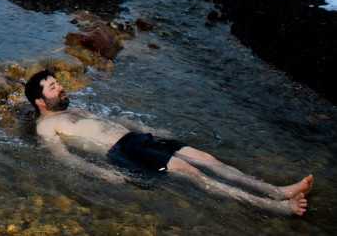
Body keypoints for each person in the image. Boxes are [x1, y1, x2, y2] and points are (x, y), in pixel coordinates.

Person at [26, 70, 312, 216]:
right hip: (125, 151)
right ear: (40, 101)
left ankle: (277, 190)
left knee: (207, 159)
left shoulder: (72, 110)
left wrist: (144, 127)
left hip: (138, 139)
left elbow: (109, 122)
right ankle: (275, 207)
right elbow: (63, 157)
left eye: (57, 82)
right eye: (53, 86)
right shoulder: (47, 126)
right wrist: (101, 173)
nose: (61, 86)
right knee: (193, 173)